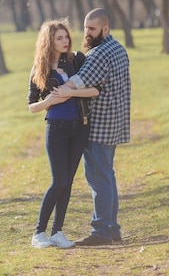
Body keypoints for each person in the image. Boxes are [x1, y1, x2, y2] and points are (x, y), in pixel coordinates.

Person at [53, 8, 131, 246]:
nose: (86, 33)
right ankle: (112, 228)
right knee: (107, 176)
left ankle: (102, 231)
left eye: (92, 29)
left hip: (99, 125)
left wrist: (56, 91)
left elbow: (77, 83)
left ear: (104, 29)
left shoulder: (99, 53)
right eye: (85, 28)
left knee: (98, 178)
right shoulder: (119, 48)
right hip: (115, 123)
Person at [27, 19, 100, 249]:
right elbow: (31, 106)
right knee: (58, 181)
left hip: (79, 127)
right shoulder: (40, 68)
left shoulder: (77, 60)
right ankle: (39, 233)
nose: (65, 41)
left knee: (67, 182)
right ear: (49, 41)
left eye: (66, 36)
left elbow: (95, 90)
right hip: (56, 129)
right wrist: (48, 101)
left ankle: (57, 232)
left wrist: (71, 94)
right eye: (59, 38)